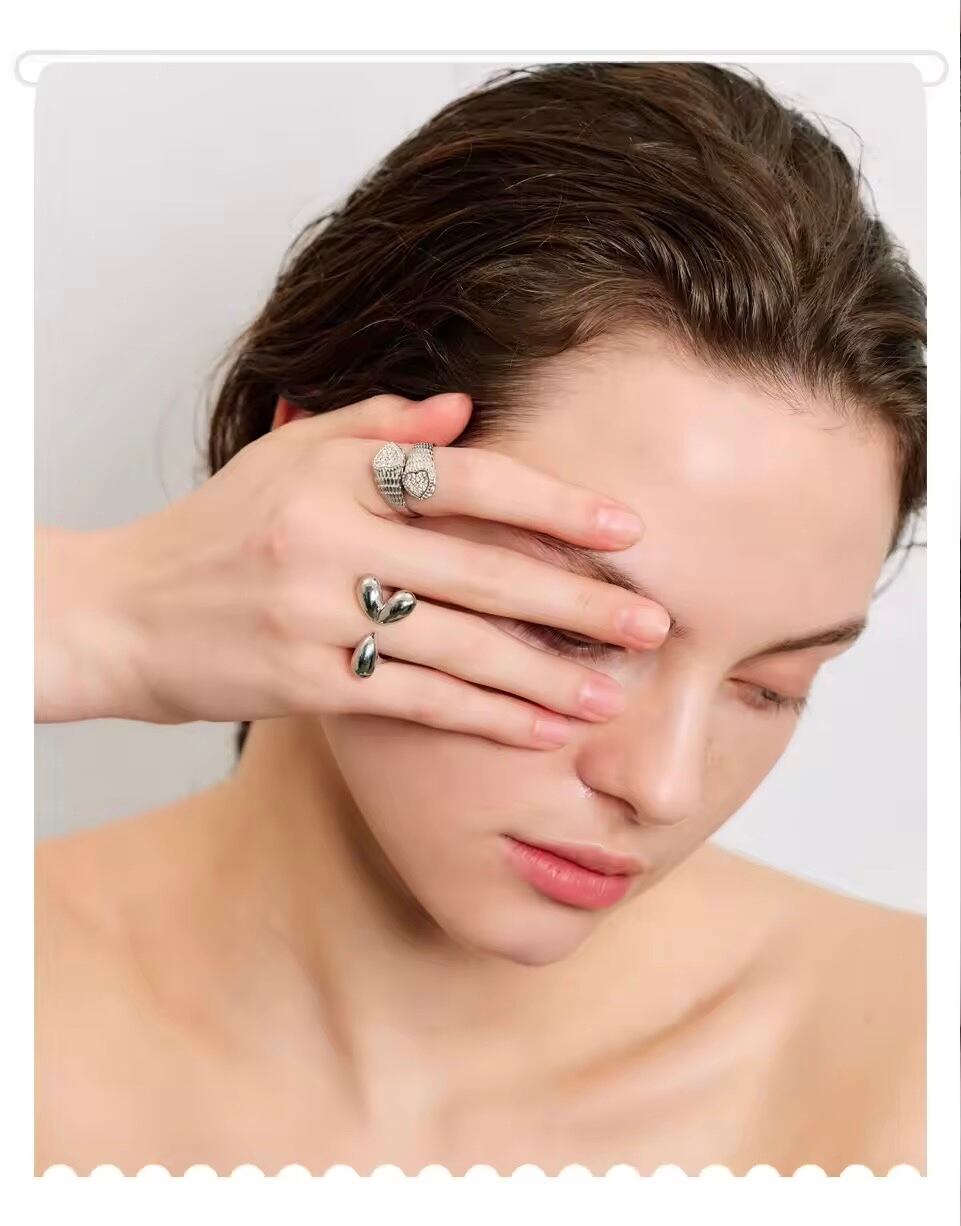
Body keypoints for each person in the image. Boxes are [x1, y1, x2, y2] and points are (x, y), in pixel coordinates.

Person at [34, 61, 926, 1175]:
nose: (663, 787)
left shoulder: (909, 1070)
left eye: (769, 688)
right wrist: (88, 614)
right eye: (571, 630)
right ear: (307, 478)